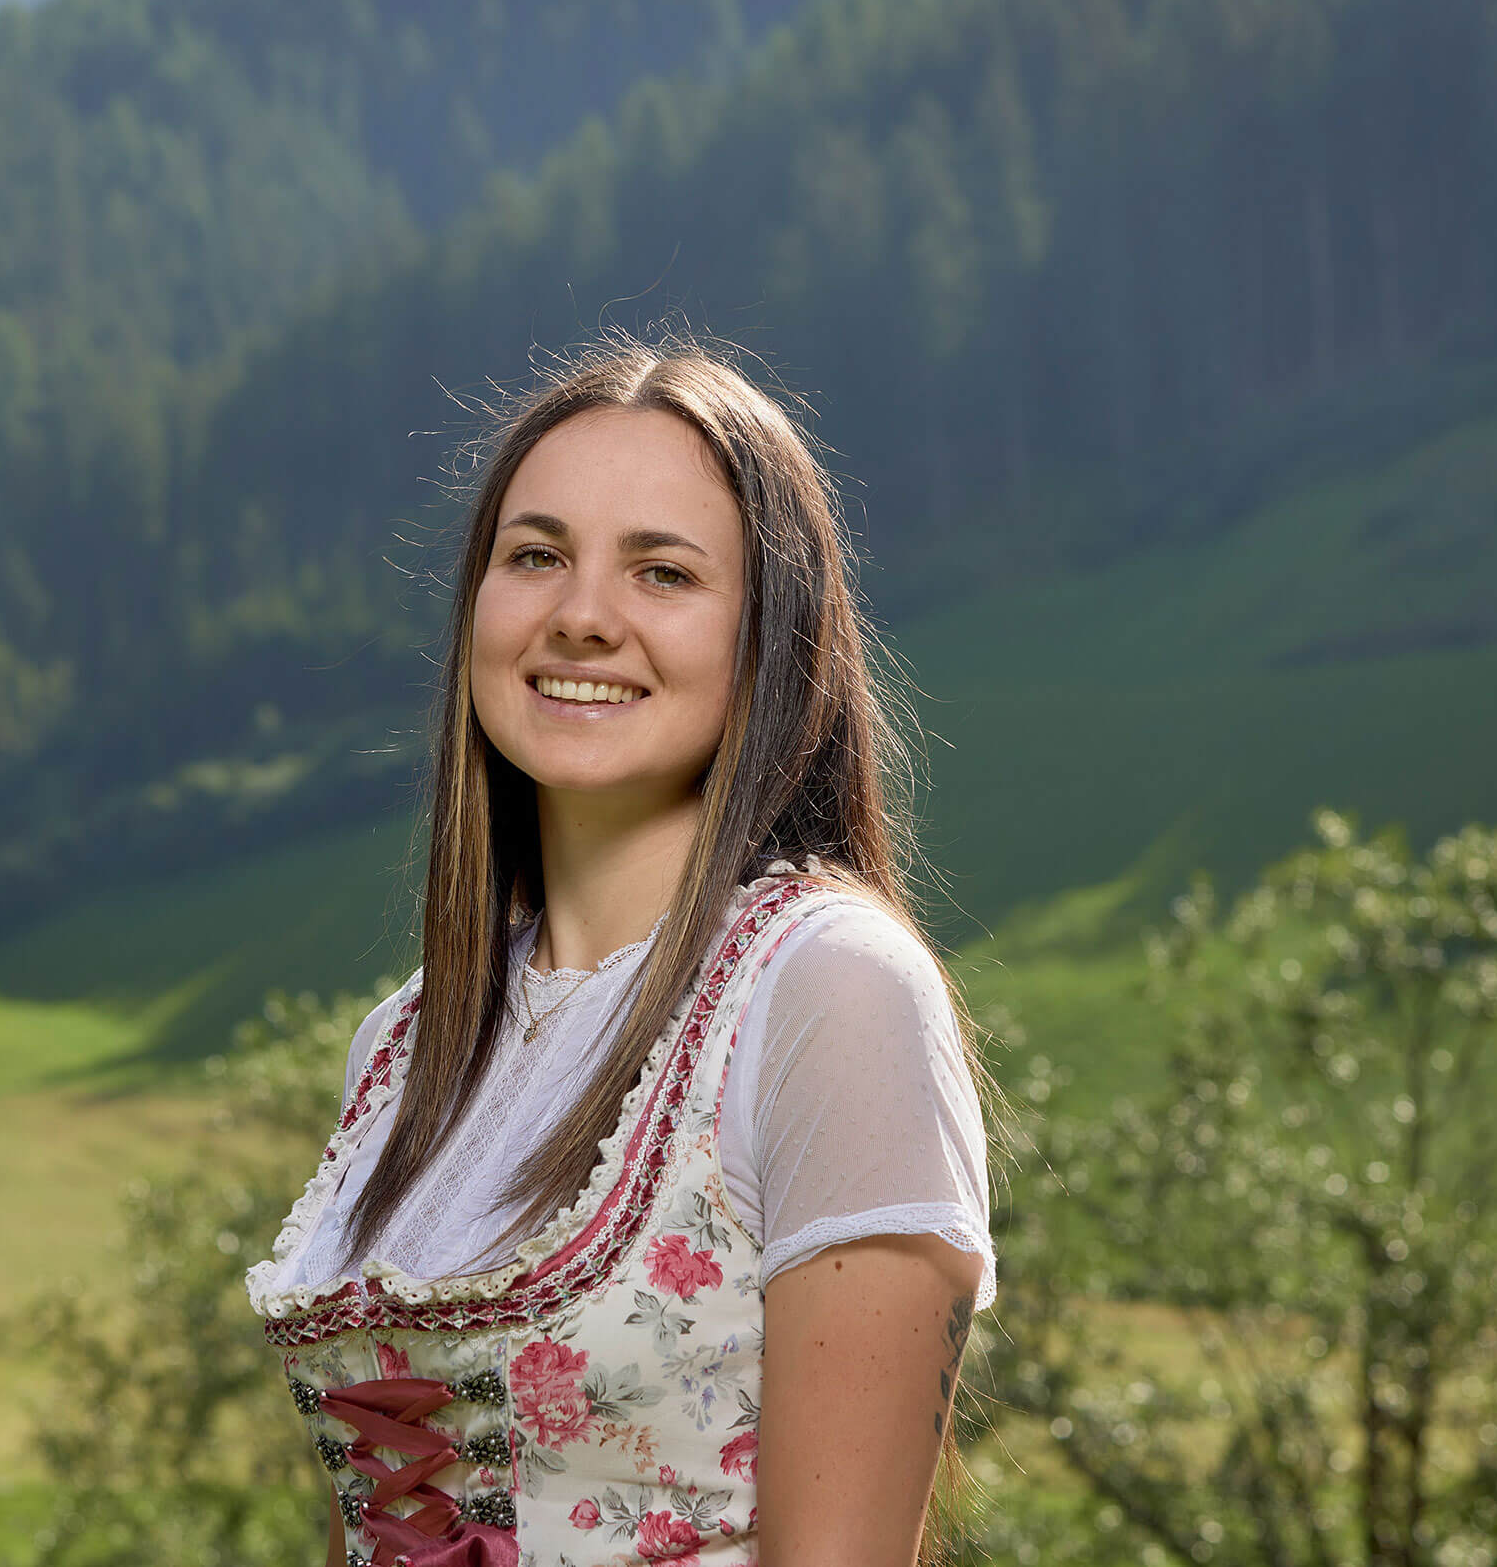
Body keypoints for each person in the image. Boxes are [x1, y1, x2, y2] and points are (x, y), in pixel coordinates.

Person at [245, 337, 995, 1567]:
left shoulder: (828, 994)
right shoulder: (406, 1044)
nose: (582, 617)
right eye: (535, 556)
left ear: (775, 637)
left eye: (663, 572)